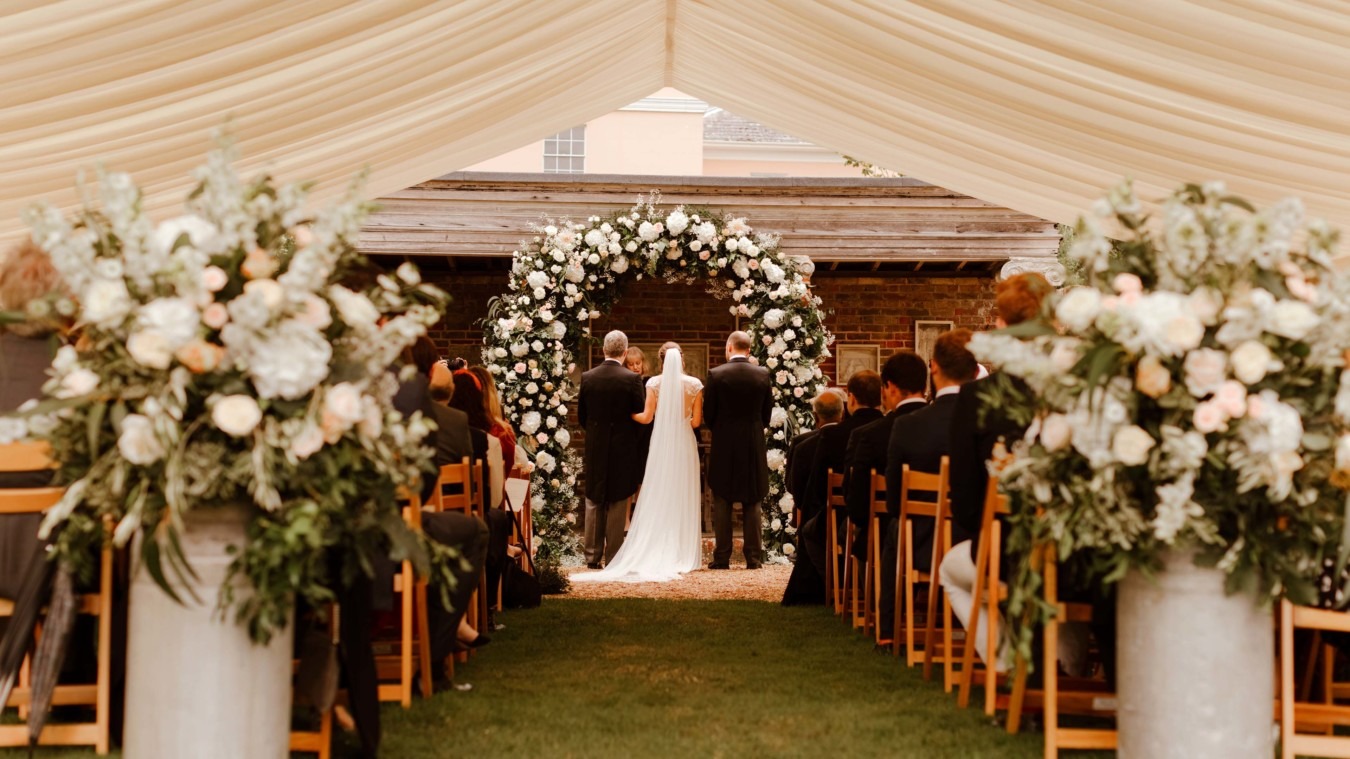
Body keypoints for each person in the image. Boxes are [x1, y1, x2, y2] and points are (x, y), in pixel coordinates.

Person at [573, 342, 703, 583]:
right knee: (682, 492)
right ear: (682, 360)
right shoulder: (695, 385)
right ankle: (682, 550)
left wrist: (624, 416)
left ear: (661, 361)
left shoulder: (653, 383)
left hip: (661, 442)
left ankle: (598, 555)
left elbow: (645, 417)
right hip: (684, 443)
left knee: (656, 491)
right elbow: (696, 423)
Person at [845, 351, 929, 563]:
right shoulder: (949, 427)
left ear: (889, 387)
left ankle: (876, 595)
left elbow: (857, 507)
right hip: (945, 535)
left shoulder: (870, 435)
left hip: (886, 538)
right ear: (925, 386)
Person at [703, 331, 773, 569]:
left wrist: (722, 428)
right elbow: (766, 415)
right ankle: (753, 558)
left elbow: (708, 414)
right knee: (752, 499)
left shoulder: (716, 374)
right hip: (752, 442)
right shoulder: (763, 374)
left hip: (724, 442)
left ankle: (722, 557)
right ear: (749, 349)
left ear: (729, 347)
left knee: (722, 498)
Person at [577, 331, 646, 569]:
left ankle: (592, 556)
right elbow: (638, 414)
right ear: (625, 352)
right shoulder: (632, 379)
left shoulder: (588, 377)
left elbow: (582, 416)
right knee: (618, 498)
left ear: (604, 350)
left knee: (594, 498)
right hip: (623, 445)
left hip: (596, 443)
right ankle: (614, 557)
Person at [781, 388, 845, 605]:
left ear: (816, 416)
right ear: (842, 413)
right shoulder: (854, 438)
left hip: (814, 518)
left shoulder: (802, 444)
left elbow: (792, 486)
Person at [804, 371, 884, 532]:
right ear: (881, 396)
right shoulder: (890, 428)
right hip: (887, 517)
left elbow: (818, 485)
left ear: (852, 398)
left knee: (809, 532)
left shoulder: (833, 434)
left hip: (844, 517)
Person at [623, 346, 653, 483]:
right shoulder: (624, 382)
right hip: (630, 430)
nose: (635, 367)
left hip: (648, 431)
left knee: (645, 471)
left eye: (638, 363)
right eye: (631, 364)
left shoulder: (650, 382)